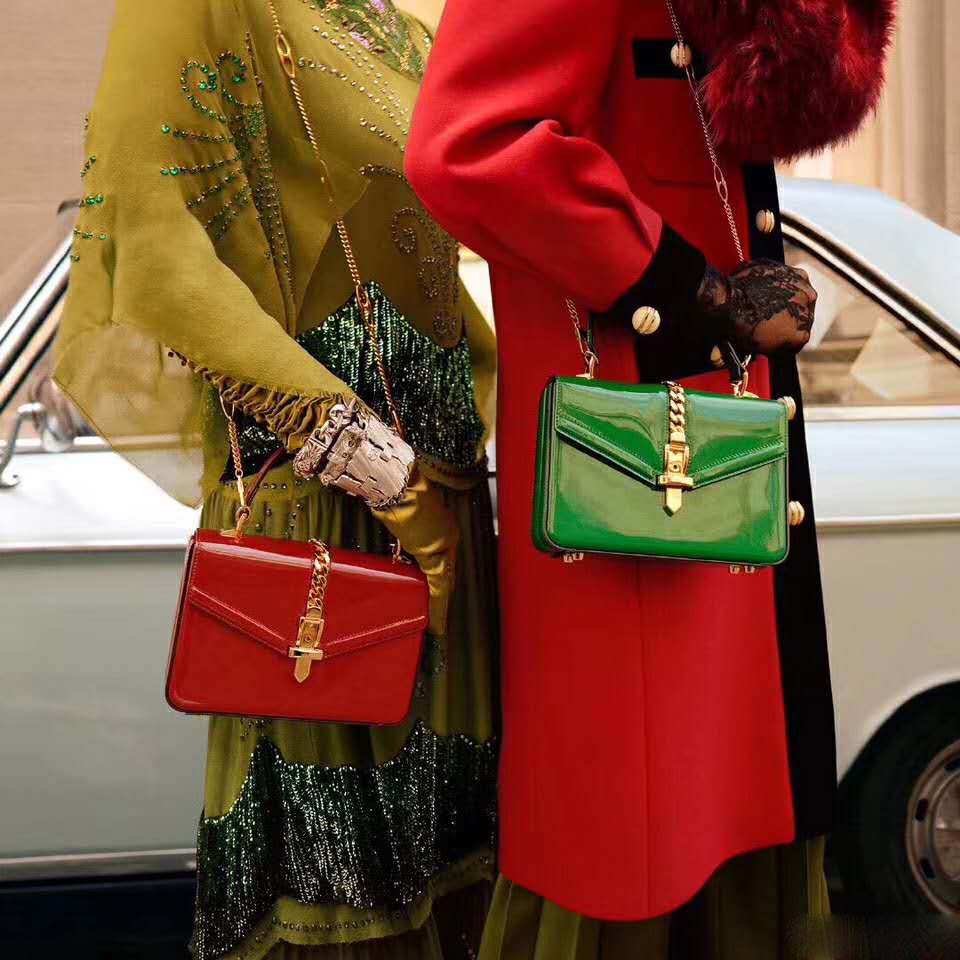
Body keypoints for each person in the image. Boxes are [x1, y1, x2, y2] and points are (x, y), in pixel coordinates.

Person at [405, 0, 895, 955]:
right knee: (623, 852)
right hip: (632, 495)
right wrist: (691, 289)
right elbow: (468, 146)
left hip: (713, 484)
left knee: (727, 816)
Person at [54, 1, 499, 958]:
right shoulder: (201, 8)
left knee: (454, 869)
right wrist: (379, 471)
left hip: (452, 512)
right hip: (328, 529)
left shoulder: (393, 27)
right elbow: (152, 245)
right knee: (339, 893)